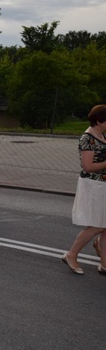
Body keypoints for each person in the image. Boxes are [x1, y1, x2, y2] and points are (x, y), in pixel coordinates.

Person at [62, 104, 106, 275]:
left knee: (105, 226)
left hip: (103, 184)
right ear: (98, 121)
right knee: (96, 226)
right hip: (93, 185)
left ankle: (104, 263)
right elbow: (88, 166)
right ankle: (71, 255)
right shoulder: (87, 138)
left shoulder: (102, 135)